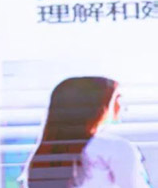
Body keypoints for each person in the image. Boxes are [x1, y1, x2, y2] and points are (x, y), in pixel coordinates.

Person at [18, 77, 153, 188]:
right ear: (98, 105)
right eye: (116, 99)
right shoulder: (115, 147)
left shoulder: (42, 158)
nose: (121, 107)